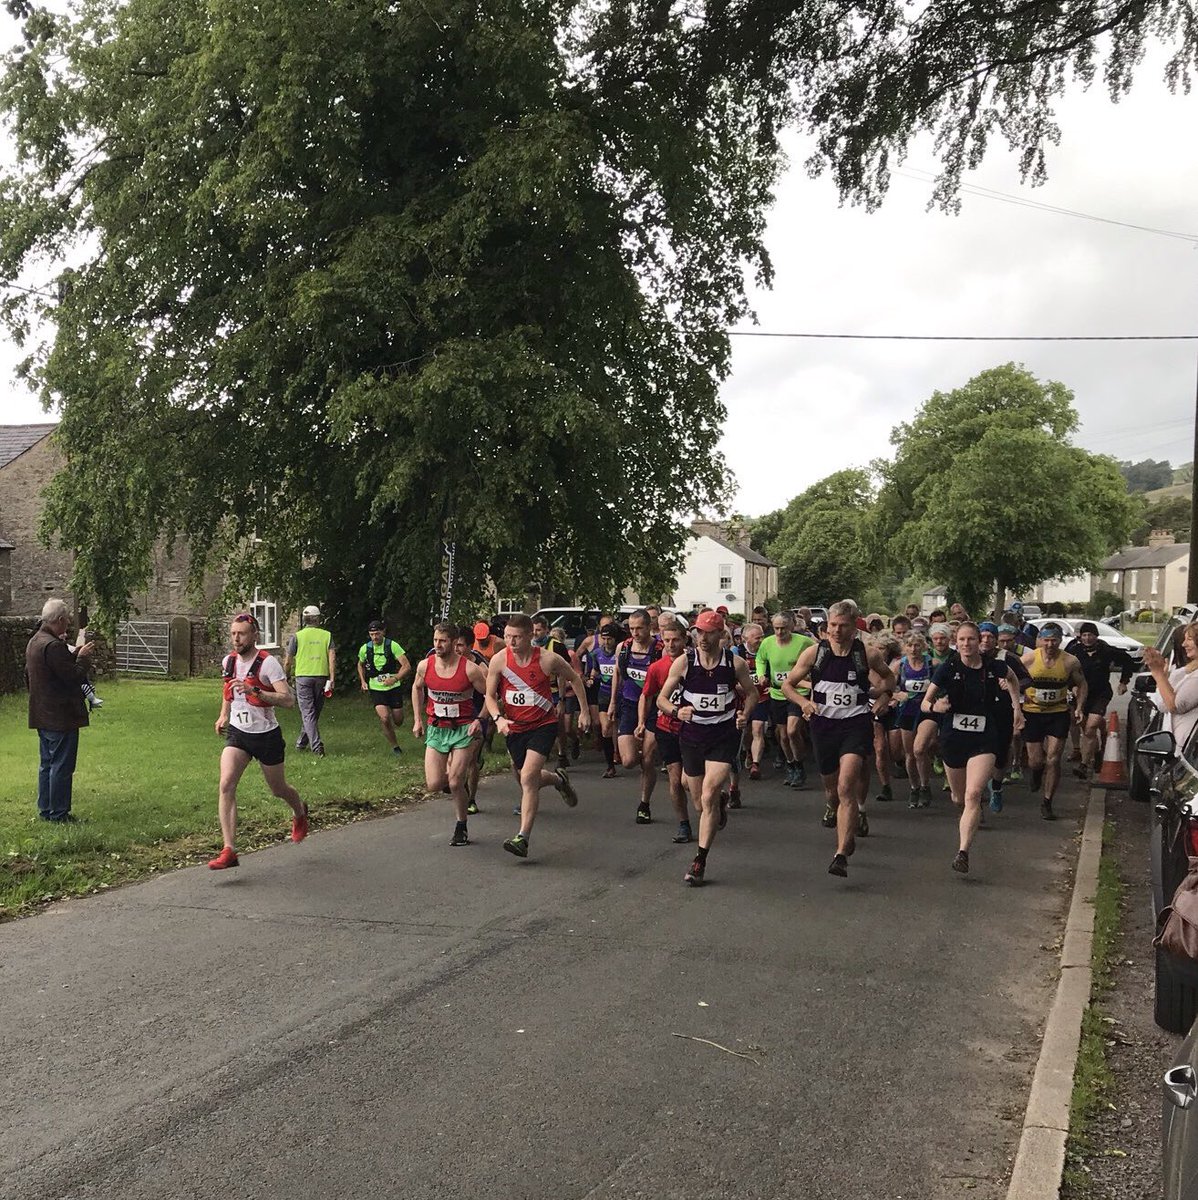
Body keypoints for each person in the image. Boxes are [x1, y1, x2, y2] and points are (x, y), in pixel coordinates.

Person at [783, 600, 895, 878]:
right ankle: (845, 825)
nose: (836, 630)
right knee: (832, 791)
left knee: (847, 787)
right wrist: (803, 703)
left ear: (854, 627)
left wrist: (884, 696)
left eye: (842, 626)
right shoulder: (814, 654)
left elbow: (889, 678)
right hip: (823, 726)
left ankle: (840, 854)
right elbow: (787, 685)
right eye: (832, 625)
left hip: (855, 724)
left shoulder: (866, 654)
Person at [656, 609, 754, 886]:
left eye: (708, 632)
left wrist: (745, 713)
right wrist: (677, 711)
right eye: (699, 631)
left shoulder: (734, 664)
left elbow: (752, 693)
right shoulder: (684, 663)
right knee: (699, 801)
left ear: (721, 634)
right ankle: (718, 805)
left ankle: (700, 859)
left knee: (709, 793)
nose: (702, 637)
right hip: (692, 736)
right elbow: (661, 700)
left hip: (723, 735)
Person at [921, 622, 1024, 874]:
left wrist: (1016, 708)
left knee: (973, 794)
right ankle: (969, 815)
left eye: (972, 640)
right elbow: (925, 702)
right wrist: (936, 707)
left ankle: (963, 851)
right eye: (962, 640)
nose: (967, 644)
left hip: (983, 738)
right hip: (953, 737)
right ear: (957, 642)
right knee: (959, 797)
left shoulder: (993, 666)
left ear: (980, 642)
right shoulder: (948, 668)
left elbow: (1012, 678)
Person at [485, 613, 591, 859]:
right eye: (507, 636)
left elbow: (574, 678)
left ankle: (522, 838)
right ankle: (558, 780)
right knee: (524, 775)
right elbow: (490, 696)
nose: (511, 642)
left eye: (517, 637)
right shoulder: (499, 661)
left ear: (530, 636)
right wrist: (498, 719)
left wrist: (584, 712)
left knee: (528, 778)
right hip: (514, 727)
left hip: (543, 725)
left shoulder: (547, 659)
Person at [209, 613, 307, 870]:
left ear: (254, 635)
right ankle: (229, 849)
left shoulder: (268, 664)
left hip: (266, 735)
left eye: (241, 633)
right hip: (239, 734)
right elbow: (228, 690)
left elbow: (287, 700)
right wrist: (223, 715)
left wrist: (256, 691)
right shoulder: (229, 662)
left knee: (278, 790)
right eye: (233, 634)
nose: (236, 639)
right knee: (226, 783)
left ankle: (299, 812)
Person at [412, 622, 488, 846]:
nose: (438, 645)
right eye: (435, 640)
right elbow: (417, 688)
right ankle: (458, 783)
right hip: (437, 729)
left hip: (463, 729)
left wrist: (480, 719)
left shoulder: (470, 669)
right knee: (434, 784)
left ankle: (461, 826)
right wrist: (417, 719)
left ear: (455, 643)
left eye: (443, 641)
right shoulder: (425, 666)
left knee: (454, 782)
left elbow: (491, 696)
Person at [26, 598, 98, 823]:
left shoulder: (35, 641)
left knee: (47, 764)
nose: (67, 625)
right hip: (60, 716)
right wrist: (83, 658)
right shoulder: (54, 646)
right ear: (59, 620)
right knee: (62, 766)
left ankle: (46, 809)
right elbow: (72, 677)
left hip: (41, 712)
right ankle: (59, 813)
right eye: (66, 621)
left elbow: (33, 674)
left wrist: (73, 655)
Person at [1020, 623, 1087, 820]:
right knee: (1035, 760)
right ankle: (1035, 772)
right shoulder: (1029, 659)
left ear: (1060, 641)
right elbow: (1012, 679)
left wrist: (1080, 707)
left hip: (1057, 712)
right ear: (1040, 640)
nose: (1050, 644)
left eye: (1054, 640)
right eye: (1046, 640)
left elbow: (1082, 684)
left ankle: (1047, 801)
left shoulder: (1070, 661)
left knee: (1054, 758)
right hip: (1032, 713)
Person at [640, 617, 694, 843]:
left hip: (693, 729)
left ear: (684, 640)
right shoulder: (657, 668)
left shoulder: (696, 665)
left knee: (688, 780)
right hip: (666, 727)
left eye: (675, 640)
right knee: (674, 779)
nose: (671, 645)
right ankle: (684, 824)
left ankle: (715, 799)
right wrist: (642, 722)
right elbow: (647, 695)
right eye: (666, 640)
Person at [608, 609, 661, 823]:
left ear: (649, 627)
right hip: (629, 704)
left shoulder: (660, 649)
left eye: (640, 628)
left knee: (647, 761)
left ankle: (644, 804)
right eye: (632, 628)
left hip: (654, 707)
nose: (636, 632)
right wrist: (612, 702)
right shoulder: (624, 648)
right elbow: (617, 674)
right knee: (629, 760)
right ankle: (648, 764)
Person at [1064, 621, 1136, 778]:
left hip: (1100, 693)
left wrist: (1124, 682)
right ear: (1080, 636)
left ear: (1096, 636)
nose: (1087, 638)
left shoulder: (1106, 650)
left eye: (1090, 635)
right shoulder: (1074, 651)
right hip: (1080, 695)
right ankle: (1096, 752)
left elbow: (1128, 661)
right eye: (1084, 635)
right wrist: (1071, 686)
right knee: (1086, 729)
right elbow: (1065, 670)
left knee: (1091, 727)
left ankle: (1083, 765)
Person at [755, 612, 813, 786]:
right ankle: (791, 764)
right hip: (777, 692)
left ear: (792, 627)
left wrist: (811, 678)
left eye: (783, 629)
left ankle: (800, 766)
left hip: (797, 692)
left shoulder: (804, 642)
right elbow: (760, 659)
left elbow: (821, 654)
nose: (779, 632)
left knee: (792, 731)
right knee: (783, 736)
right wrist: (760, 675)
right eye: (776, 628)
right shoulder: (767, 643)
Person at [283, 604, 335, 756]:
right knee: (313, 712)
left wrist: (286, 675)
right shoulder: (327, 635)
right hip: (321, 677)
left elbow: (288, 660)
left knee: (308, 713)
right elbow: (332, 658)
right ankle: (304, 743)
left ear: (304, 619)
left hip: (303, 677)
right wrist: (332, 678)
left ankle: (315, 746)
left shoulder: (297, 636)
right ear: (318, 619)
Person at [357, 619, 412, 755]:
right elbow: (360, 664)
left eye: (377, 634)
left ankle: (394, 723)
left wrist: (394, 678)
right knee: (385, 718)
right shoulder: (365, 648)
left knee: (398, 720)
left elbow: (407, 666)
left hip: (393, 687)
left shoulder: (392, 646)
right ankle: (395, 746)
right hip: (376, 688)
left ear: (383, 632)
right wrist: (363, 681)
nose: (375, 637)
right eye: (372, 634)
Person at [893, 632, 933, 807]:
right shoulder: (899, 666)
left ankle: (925, 786)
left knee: (920, 750)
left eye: (917, 645)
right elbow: (885, 685)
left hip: (926, 711)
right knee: (909, 753)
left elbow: (943, 684)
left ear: (923, 646)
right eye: (909, 645)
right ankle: (914, 787)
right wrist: (895, 694)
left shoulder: (932, 664)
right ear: (904, 647)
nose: (913, 649)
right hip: (906, 711)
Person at [1145, 624, 1198, 748]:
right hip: (1180, 751)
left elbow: (1175, 706)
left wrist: (1158, 675)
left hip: (1191, 755)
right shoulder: (1187, 671)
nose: (1183, 644)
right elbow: (1163, 705)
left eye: (1189, 639)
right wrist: (1162, 677)